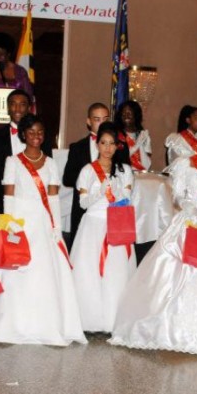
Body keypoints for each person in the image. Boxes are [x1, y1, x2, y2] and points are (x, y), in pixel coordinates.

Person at [110, 116, 197, 358]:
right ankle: (169, 327)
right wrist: (189, 206)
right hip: (189, 220)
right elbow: (177, 195)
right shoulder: (185, 164)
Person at [0, 114, 86, 346]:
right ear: (23, 135)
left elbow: (53, 197)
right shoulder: (13, 161)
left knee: (44, 270)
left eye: (40, 132)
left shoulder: (50, 163)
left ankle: (46, 324)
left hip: (41, 221)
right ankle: (12, 322)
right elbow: (8, 194)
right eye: (31, 132)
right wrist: (9, 225)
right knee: (16, 272)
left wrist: (57, 228)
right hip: (18, 220)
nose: (36, 137)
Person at [70, 122, 137, 332]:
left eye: (111, 144)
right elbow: (82, 203)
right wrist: (100, 192)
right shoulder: (88, 171)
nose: (107, 148)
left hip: (115, 223)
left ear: (117, 146)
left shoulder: (124, 170)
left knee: (115, 272)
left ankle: (113, 320)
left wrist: (116, 190)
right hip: (92, 224)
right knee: (89, 271)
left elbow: (127, 197)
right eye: (103, 143)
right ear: (97, 144)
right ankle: (90, 319)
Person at [0, 89, 51, 228]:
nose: (18, 108)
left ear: (29, 108)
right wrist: (10, 194)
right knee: (6, 246)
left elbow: (47, 170)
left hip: (35, 204)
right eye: (13, 104)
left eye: (22, 104)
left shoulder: (42, 137)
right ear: (8, 107)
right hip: (5, 203)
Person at [62, 102, 112, 247]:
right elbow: (68, 178)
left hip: (110, 209)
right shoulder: (77, 147)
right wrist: (90, 180)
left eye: (105, 119)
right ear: (89, 122)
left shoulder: (119, 147)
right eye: (97, 119)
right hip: (83, 209)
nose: (102, 124)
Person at [116, 100, 151, 172]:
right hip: (122, 174)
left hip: (140, 177)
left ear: (135, 115)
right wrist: (136, 145)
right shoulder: (116, 134)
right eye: (123, 113)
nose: (126, 116)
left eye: (129, 113)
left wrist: (140, 144)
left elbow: (146, 166)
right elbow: (120, 159)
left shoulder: (143, 135)